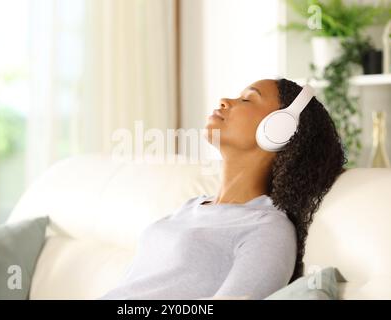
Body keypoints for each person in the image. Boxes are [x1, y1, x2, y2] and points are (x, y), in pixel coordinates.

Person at [97, 78, 347, 300]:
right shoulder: (192, 205)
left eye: (247, 99)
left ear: (280, 128)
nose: (225, 101)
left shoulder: (266, 229)